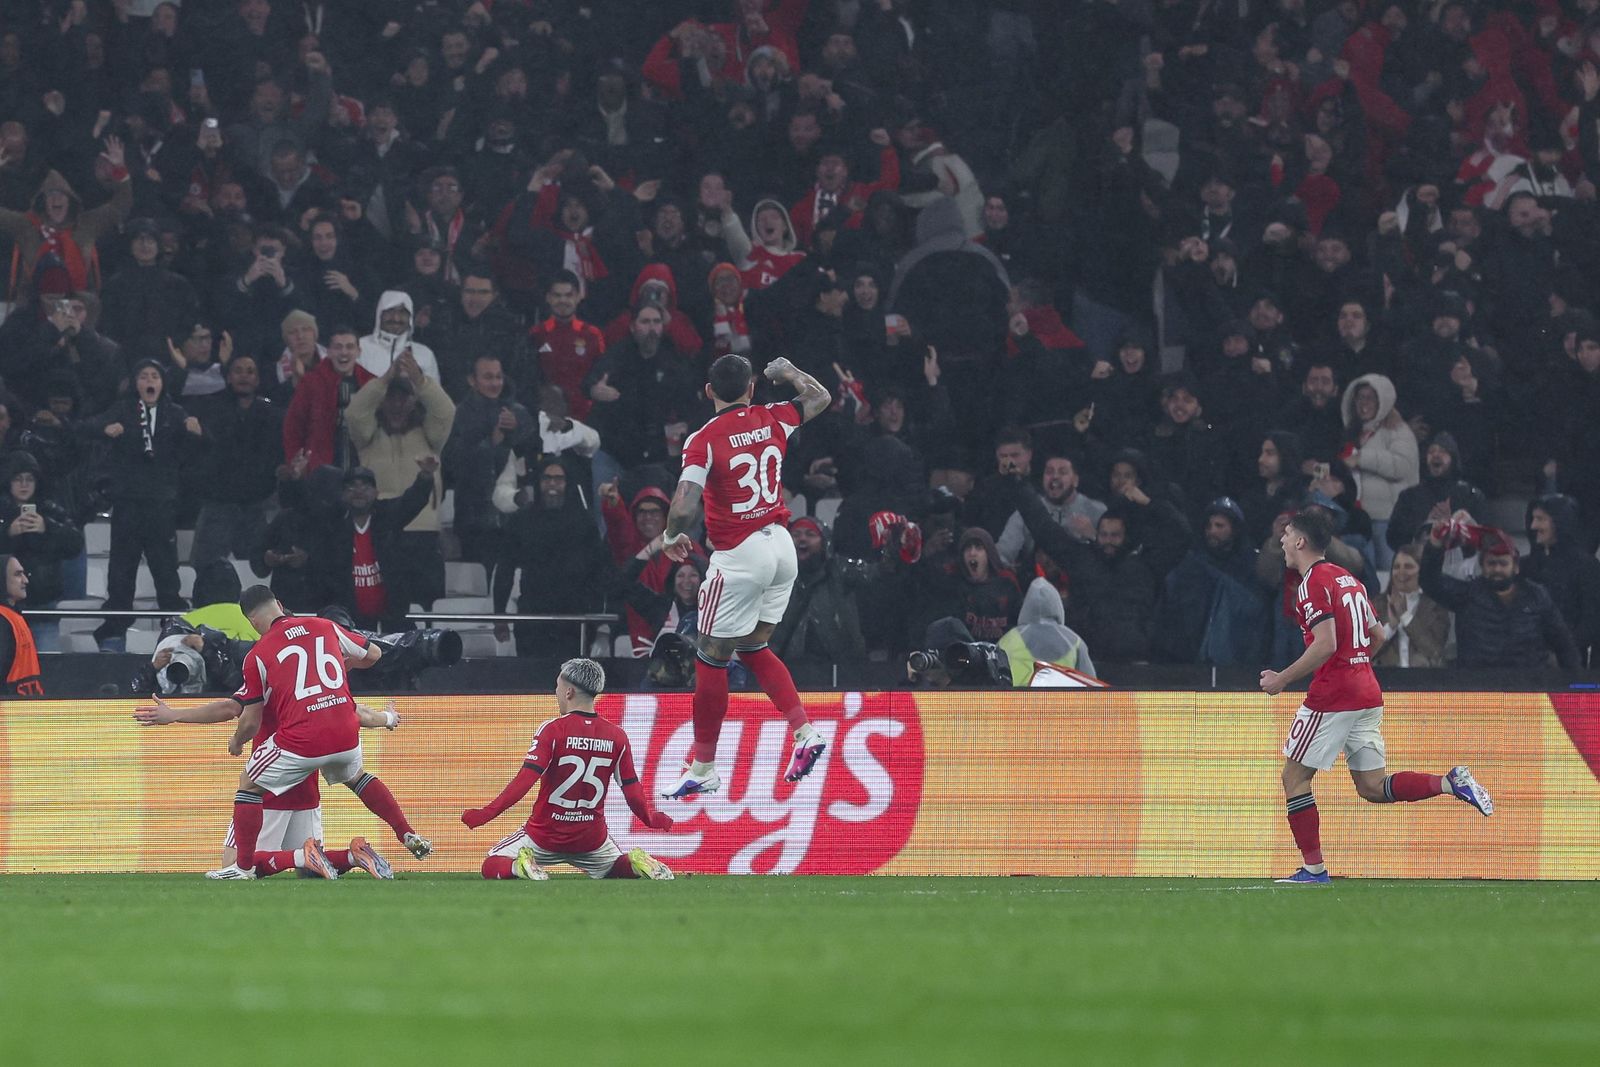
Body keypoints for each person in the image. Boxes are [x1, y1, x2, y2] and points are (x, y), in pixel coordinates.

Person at [1259, 508, 1494, 885]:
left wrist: (1282, 679)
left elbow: (1325, 644)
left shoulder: (1312, 583)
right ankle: (1451, 782)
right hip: (1366, 691)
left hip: (1334, 695)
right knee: (1372, 787)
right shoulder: (1348, 579)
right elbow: (1379, 636)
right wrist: (1355, 666)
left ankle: (1314, 870)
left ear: (1300, 541)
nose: (1283, 542)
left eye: (1287, 535)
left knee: (1294, 777)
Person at [659, 354, 833, 799]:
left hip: (739, 554)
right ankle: (804, 732)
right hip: (781, 544)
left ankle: (702, 767)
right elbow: (820, 397)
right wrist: (792, 371)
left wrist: (670, 535)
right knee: (754, 646)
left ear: (709, 391)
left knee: (710, 655)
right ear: (752, 389)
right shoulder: (773, 416)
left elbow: (684, 504)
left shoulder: (705, 438)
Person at [179, 585, 432, 880]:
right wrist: (385, 713)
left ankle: (242, 869)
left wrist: (235, 741)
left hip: (300, 747)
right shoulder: (325, 627)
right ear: (280, 603)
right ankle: (401, 835)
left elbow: (244, 714)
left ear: (252, 621)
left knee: (248, 786)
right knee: (357, 777)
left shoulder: (259, 654)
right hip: (344, 736)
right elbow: (374, 654)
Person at [133, 691, 403, 879]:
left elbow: (230, 709)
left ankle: (304, 857)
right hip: (307, 785)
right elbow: (359, 713)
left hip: (270, 783)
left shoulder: (268, 666)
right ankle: (354, 856)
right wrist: (388, 718)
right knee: (311, 870)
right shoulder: (322, 685)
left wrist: (175, 714)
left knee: (235, 865)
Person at [461, 658, 677, 881]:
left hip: (545, 835)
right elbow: (632, 790)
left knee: (492, 863)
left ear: (569, 692)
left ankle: (520, 867)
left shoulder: (553, 730)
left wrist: (486, 814)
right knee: (613, 867)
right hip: (591, 839)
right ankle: (635, 864)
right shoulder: (617, 736)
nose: (556, 692)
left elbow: (524, 781)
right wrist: (650, 819)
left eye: (558, 686)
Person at [1419, 522, 1582, 669]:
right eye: (1491, 563)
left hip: (1529, 690)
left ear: (1516, 567)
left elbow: (1564, 645)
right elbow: (1428, 581)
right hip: (1478, 690)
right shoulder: (1466, 595)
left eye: (1503, 563)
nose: (1497, 569)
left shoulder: (1537, 596)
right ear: (1482, 567)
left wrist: (1575, 690)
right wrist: (1435, 543)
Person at [1372, 545, 1452, 668]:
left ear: (1422, 571)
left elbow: (1435, 651)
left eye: (1408, 567)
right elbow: (1368, 653)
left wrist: (1406, 617)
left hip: (1425, 682)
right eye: (1396, 567)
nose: (1401, 572)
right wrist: (1391, 627)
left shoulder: (1436, 607)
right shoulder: (1377, 605)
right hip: (1386, 681)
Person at [0, 555, 43, 696]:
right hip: (9, 710)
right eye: (18, 574)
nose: (25, 580)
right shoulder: (4, 619)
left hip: (21, 707)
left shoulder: (13, 616)